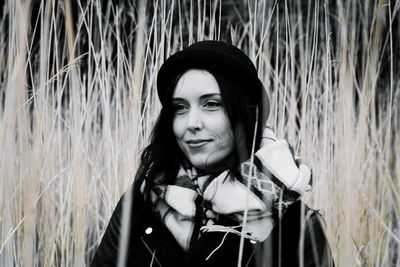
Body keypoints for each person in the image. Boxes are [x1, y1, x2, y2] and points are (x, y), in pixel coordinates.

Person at [90, 41, 334, 267]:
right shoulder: (142, 200)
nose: (191, 123)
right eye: (180, 108)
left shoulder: (297, 227)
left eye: (211, 104)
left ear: (245, 113)